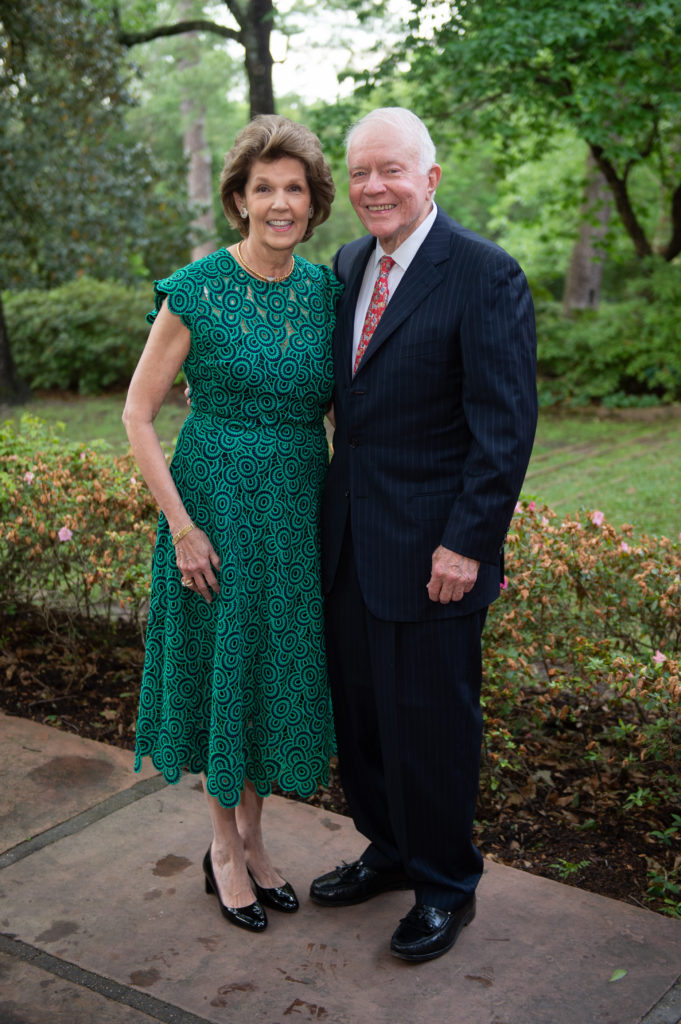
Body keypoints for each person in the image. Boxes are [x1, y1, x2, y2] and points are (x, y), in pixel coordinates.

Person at [310, 107, 538, 962]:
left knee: (431, 725)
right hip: (348, 544)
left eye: (391, 171)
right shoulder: (346, 264)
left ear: (429, 178)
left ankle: (445, 883)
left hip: (435, 552)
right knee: (363, 717)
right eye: (361, 173)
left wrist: (467, 542)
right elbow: (350, 400)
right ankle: (390, 849)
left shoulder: (482, 274)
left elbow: (504, 427)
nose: (374, 187)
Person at [123, 115, 342, 934]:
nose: (279, 203)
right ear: (240, 200)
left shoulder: (327, 292)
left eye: (294, 189)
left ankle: (255, 836)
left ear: (314, 203)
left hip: (294, 509)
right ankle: (221, 848)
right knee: (223, 669)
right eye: (264, 189)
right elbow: (138, 414)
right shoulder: (197, 287)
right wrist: (180, 526)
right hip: (210, 506)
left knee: (267, 668)